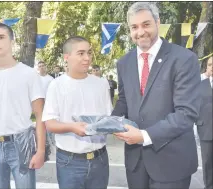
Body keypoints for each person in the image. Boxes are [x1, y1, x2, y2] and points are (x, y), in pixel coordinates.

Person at [111, 2, 201, 189]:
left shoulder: (184, 59)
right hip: (136, 163)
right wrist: (109, 122)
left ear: (158, 22)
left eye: (146, 24)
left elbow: (186, 114)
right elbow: (124, 101)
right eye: (134, 27)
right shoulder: (124, 63)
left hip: (172, 164)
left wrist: (144, 135)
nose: (140, 32)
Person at [0, 23, 46, 189]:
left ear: (12, 41)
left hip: (21, 143)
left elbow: (40, 114)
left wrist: (40, 150)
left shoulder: (29, 74)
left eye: (1, 37)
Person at [42, 36, 112, 189]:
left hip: (99, 159)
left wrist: (112, 126)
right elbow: (50, 123)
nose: (87, 58)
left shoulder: (101, 83)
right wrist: (73, 127)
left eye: (89, 53)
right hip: (70, 161)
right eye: (81, 53)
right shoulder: (56, 85)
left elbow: (108, 117)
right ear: (67, 57)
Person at [196, 56, 212, 189]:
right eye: (210, 65)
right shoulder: (200, 84)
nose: (212, 67)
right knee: (207, 162)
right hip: (206, 129)